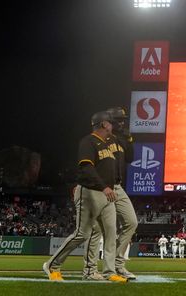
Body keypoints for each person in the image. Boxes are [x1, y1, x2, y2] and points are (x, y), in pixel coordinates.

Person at [43, 111, 127, 283]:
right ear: (104, 124)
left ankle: (108, 272)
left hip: (108, 194)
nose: (113, 126)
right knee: (82, 234)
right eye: (110, 123)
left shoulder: (107, 144)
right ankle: (52, 265)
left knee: (111, 234)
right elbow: (86, 168)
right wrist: (104, 187)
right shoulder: (88, 141)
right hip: (90, 192)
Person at [83, 107, 138, 280]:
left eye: (123, 120)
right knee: (97, 229)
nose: (122, 123)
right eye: (119, 120)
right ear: (109, 122)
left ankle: (117, 264)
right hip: (101, 187)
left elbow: (130, 158)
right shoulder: (101, 138)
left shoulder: (120, 140)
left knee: (131, 222)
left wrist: (129, 139)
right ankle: (90, 270)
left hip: (117, 187)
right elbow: (90, 163)